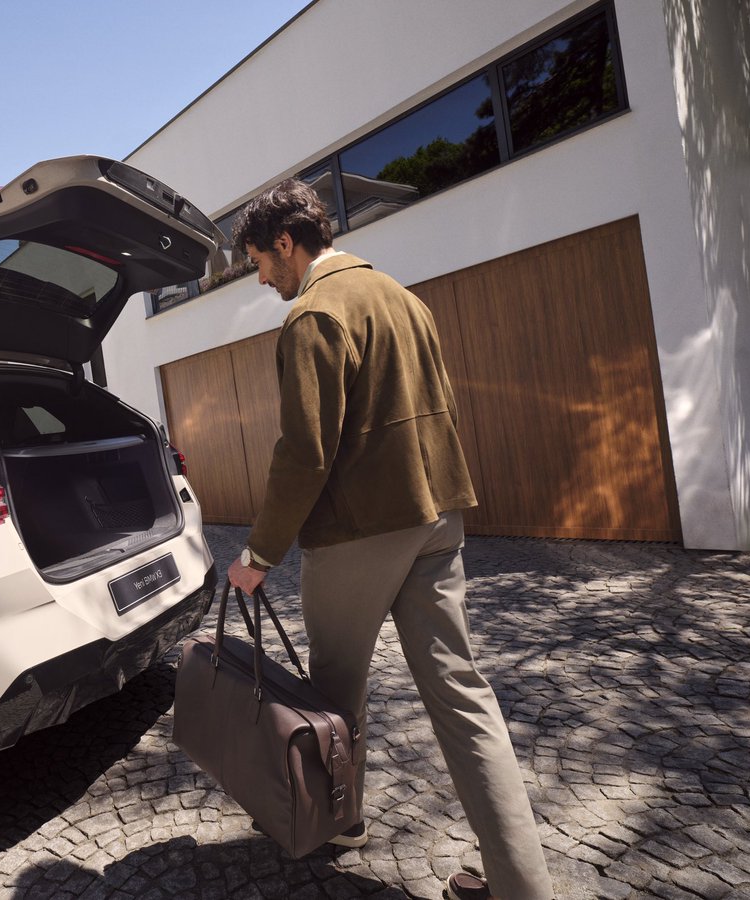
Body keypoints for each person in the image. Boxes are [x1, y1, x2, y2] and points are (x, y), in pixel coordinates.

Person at [224, 179, 554, 900]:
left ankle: (338, 823)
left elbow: (305, 454)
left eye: (259, 260)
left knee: (335, 690)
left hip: (357, 533)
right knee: (463, 694)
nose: (260, 277)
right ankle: (522, 885)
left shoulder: (313, 315)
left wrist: (257, 555)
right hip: (436, 518)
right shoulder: (405, 299)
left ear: (287, 243)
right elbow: (444, 406)